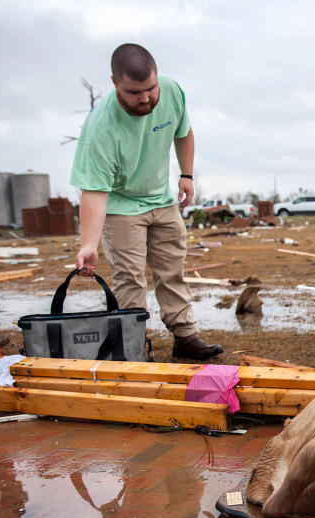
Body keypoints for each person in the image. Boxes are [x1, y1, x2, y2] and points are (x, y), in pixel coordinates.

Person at [70, 43, 223, 360]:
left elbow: (184, 131)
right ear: (115, 84)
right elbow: (95, 192)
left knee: (172, 271)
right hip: (122, 208)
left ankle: (185, 337)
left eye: (150, 88)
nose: (146, 98)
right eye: (134, 92)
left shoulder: (170, 91)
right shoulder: (100, 128)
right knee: (131, 279)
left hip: (162, 201)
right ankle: (132, 346)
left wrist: (187, 174)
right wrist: (88, 244)